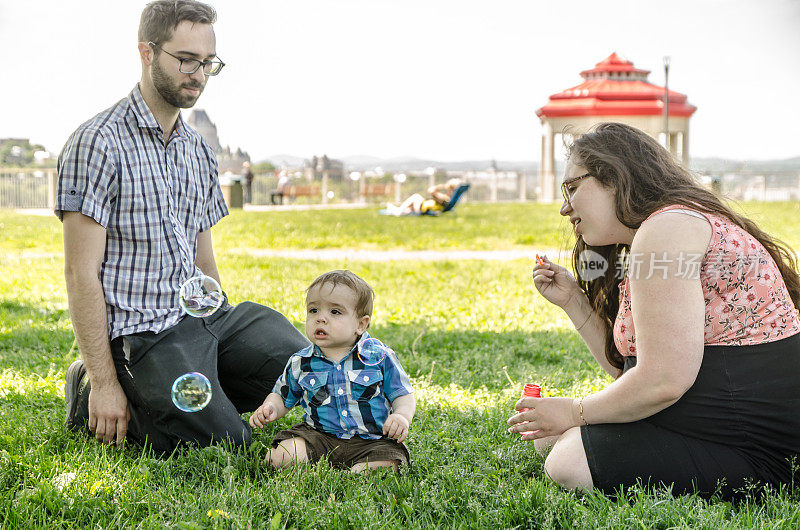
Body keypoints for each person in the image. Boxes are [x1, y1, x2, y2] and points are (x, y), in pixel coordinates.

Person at [57, 0, 309, 453]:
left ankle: (199, 390)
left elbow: (203, 257)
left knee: (306, 367)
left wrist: (219, 335)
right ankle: (99, 388)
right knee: (228, 442)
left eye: (208, 63)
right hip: (143, 335)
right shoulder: (98, 142)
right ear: (147, 53)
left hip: (202, 316)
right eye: (186, 60)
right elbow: (80, 273)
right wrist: (103, 381)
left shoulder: (198, 150)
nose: (197, 73)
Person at [507, 122, 800, 500]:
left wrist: (574, 411)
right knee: (549, 442)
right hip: (713, 425)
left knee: (566, 459)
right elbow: (631, 371)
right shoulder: (664, 228)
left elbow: (662, 382)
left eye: (572, 187)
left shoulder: (667, 230)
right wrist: (573, 301)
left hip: (762, 450)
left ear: (613, 177)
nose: (565, 208)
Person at [249, 270, 415, 472]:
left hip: (371, 441)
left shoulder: (379, 357)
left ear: (361, 324)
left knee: (388, 462)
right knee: (279, 457)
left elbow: (403, 395)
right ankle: (326, 463)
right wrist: (271, 408)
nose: (321, 319)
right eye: (313, 311)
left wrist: (401, 417)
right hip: (318, 437)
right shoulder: (301, 362)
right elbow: (282, 397)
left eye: (335, 312)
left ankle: (361, 469)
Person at [384, 178, 461, 216]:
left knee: (416, 196)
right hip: (424, 205)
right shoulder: (447, 198)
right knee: (410, 206)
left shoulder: (445, 198)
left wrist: (442, 186)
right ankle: (398, 210)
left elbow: (430, 190)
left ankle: (398, 210)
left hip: (424, 208)